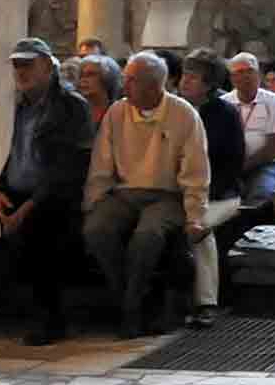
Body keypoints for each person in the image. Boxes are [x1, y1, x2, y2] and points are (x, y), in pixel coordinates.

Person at [83, 51, 210, 338]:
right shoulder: (117, 112)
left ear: (153, 85)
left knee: (147, 237)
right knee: (96, 230)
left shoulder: (184, 114)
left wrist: (194, 215)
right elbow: (101, 165)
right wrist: (94, 202)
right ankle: (129, 299)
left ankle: (130, 311)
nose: (124, 85)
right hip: (125, 193)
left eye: (130, 79)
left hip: (166, 195)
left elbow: (196, 172)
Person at [0, 38, 94, 345]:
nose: (21, 72)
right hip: (15, 193)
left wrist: (29, 206)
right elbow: (3, 151)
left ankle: (51, 320)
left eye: (28, 65)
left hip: (54, 198)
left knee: (41, 234)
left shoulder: (70, 106)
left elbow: (69, 167)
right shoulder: (12, 105)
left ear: (47, 66)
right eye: (17, 65)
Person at [178, 48, 245, 328]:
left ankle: (206, 303)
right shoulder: (176, 109)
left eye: (192, 78)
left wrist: (202, 196)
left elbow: (232, 164)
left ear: (208, 83)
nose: (184, 82)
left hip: (220, 196)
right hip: (181, 193)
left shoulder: (225, 114)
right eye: (183, 76)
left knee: (199, 229)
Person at [222, 52, 275, 205]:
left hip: (265, 165)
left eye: (250, 71)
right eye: (239, 72)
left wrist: (242, 167)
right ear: (232, 79)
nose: (246, 76)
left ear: (258, 74)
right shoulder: (223, 103)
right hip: (228, 167)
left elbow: (274, 148)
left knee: (262, 195)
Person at [78, 54, 123, 126]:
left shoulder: (119, 111)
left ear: (107, 78)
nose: (83, 80)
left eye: (91, 74)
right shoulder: (75, 111)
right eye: (82, 75)